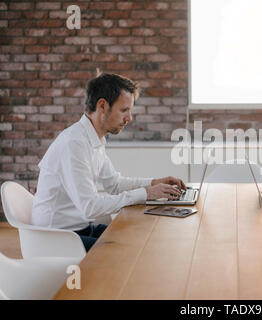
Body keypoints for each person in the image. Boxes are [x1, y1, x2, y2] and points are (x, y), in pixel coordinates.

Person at [32, 73, 186, 251]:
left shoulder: (92, 139)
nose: (129, 118)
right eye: (124, 110)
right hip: (56, 239)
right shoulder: (74, 143)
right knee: (129, 250)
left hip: (79, 229)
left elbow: (114, 184)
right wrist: (145, 193)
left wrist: (154, 183)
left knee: (140, 238)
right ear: (102, 106)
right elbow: (90, 207)